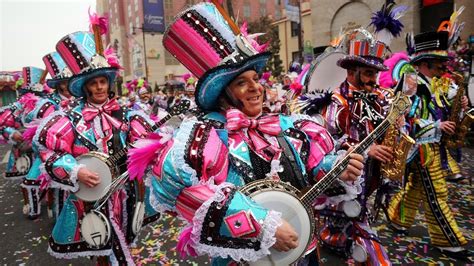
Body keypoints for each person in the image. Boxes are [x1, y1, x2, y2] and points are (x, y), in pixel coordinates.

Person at [127, 2, 364, 264]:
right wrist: (263, 225)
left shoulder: (285, 126)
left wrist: (337, 167)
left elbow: (312, 169)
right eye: (242, 82)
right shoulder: (208, 136)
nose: (256, 88)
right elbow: (185, 193)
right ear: (223, 93)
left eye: (255, 79)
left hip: (301, 252)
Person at [35, 30, 159, 264]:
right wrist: (76, 170)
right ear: (86, 88)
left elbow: (147, 143)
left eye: (103, 81)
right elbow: (48, 150)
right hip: (91, 196)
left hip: (125, 193)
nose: (100, 87)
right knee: (103, 246)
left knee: (119, 242)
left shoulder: (127, 114)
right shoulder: (70, 119)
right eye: (94, 83)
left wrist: (148, 149)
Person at [315, 30, 395, 265]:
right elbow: (328, 141)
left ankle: (336, 240)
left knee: (347, 215)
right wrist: (366, 149)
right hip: (347, 172)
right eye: (369, 73)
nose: (373, 80)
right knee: (354, 213)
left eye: (375, 74)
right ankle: (371, 255)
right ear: (351, 71)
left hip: (371, 173)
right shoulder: (336, 102)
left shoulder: (378, 97)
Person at [387, 30, 470, 259]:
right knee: (436, 191)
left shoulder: (437, 84)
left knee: (417, 186)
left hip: (433, 145)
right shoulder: (410, 84)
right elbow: (403, 119)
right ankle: (447, 239)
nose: (444, 71)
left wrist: (460, 103)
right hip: (420, 147)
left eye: (444, 66)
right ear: (424, 64)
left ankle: (397, 218)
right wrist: (436, 127)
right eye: (438, 66)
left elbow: (443, 110)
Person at [0, 66, 58, 219]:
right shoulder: (19, 104)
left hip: (43, 149)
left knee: (51, 179)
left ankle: (51, 205)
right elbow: (3, 123)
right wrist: (12, 133)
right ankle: (32, 207)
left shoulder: (50, 102)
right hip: (23, 148)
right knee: (25, 180)